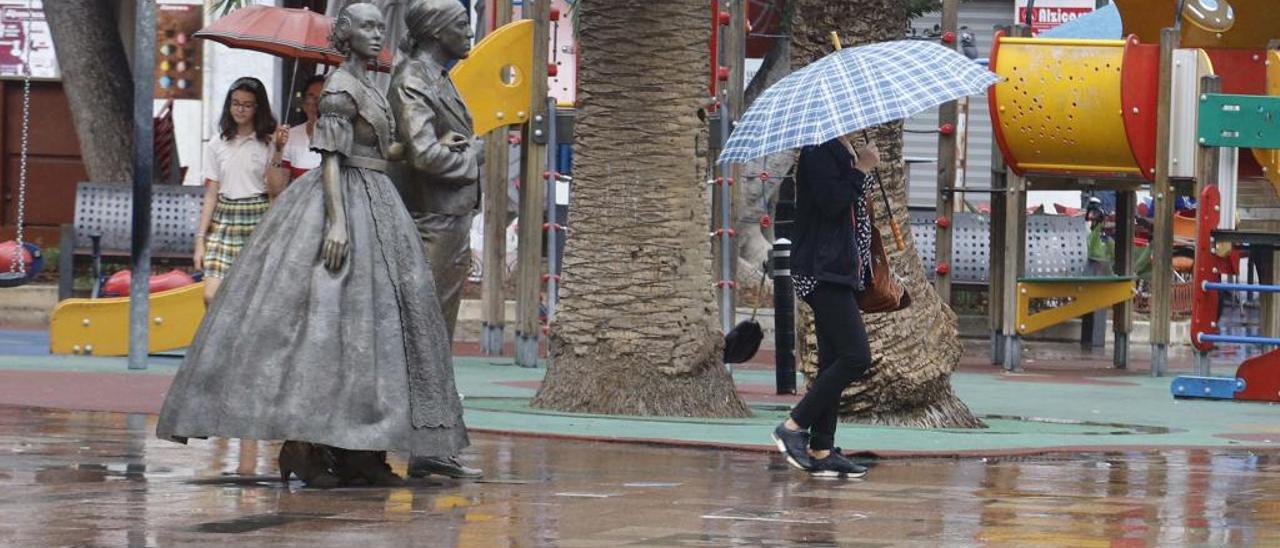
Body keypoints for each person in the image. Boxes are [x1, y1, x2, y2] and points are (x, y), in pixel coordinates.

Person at [157, 2, 468, 488]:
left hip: (380, 201)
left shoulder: (374, 86)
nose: (374, 32)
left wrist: (411, 151)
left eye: (376, 25)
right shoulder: (341, 87)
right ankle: (306, 447)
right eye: (363, 26)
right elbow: (331, 160)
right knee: (332, 330)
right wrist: (338, 224)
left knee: (377, 333)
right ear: (344, 35)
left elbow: (375, 149)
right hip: (346, 202)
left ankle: (361, 452)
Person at [389, 0, 485, 480]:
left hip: (449, 223)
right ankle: (425, 446)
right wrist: (476, 154)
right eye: (461, 25)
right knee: (426, 341)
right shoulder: (413, 80)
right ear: (434, 33)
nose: (470, 33)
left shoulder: (438, 78)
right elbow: (425, 154)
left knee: (434, 341)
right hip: (432, 224)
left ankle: (431, 444)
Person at [771, 135, 880, 479]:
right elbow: (832, 202)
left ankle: (821, 446)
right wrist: (861, 169)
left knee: (834, 360)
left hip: (840, 270)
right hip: (821, 269)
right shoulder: (818, 149)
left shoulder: (843, 148)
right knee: (855, 356)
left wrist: (861, 166)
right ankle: (792, 426)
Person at [194, 77, 290, 304]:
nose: (240, 109)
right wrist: (200, 239)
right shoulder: (217, 143)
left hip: (257, 216)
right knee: (210, 295)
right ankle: (215, 340)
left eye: (247, 105)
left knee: (250, 297)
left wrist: (278, 150)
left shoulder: (268, 142)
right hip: (224, 219)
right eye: (235, 103)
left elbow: (275, 189)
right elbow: (211, 193)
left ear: (258, 108)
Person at [281, 75, 327, 180]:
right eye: (311, 97)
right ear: (303, 103)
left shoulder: (341, 140)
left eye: (322, 98)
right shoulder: (290, 136)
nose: (316, 103)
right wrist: (278, 151)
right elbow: (278, 190)